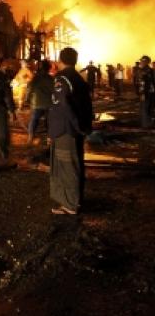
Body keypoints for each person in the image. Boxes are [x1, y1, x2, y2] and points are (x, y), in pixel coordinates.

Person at [49, 47, 93, 215]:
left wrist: (74, 126)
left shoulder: (62, 79)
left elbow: (64, 107)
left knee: (67, 167)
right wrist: (84, 126)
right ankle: (75, 200)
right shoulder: (79, 79)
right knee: (75, 165)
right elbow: (86, 106)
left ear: (60, 60)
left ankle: (70, 205)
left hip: (65, 131)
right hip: (74, 130)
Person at [26, 59, 54, 145]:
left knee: (34, 120)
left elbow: (29, 89)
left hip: (36, 102)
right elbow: (54, 90)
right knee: (49, 121)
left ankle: (30, 137)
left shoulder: (35, 78)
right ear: (48, 68)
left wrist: (27, 99)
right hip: (49, 103)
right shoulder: (51, 79)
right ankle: (50, 139)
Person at [135, 55, 154, 129]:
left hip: (146, 92)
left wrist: (142, 93)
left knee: (144, 108)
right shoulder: (148, 70)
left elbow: (143, 83)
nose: (140, 62)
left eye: (142, 61)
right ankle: (146, 123)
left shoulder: (144, 70)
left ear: (145, 62)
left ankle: (145, 124)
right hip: (148, 92)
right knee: (147, 108)